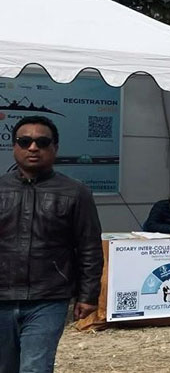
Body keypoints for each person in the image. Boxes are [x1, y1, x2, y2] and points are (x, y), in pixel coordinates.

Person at [1, 116, 103, 372]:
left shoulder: (76, 192)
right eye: (25, 142)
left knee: (35, 367)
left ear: (54, 148)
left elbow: (89, 247)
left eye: (42, 142)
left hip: (49, 298)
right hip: (1, 295)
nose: (33, 148)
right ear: (14, 146)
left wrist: (88, 296)